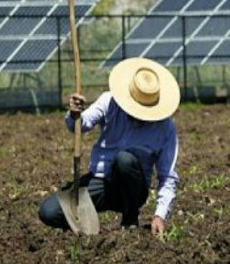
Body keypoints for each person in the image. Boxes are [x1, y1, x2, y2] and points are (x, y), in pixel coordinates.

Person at [38, 57, 181, 236]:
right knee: (49, 212)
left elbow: (167, 177)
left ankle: (130, 220)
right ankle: (86, 229)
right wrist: (75, 114)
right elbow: (82, 124)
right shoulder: (109, 102)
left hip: (133, 190)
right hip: (101, 181)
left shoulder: (164, 128)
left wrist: (160, 215)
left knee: (124, 160)